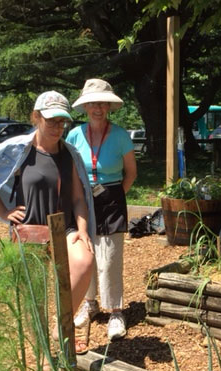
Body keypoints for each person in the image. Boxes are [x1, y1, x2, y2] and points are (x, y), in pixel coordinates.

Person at [0, 91, 95, 353]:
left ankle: (61, 323)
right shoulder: (17, 152)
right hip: (30, 229)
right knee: (33, 296)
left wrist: (82, 230)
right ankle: (42, 351)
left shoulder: (69, 154)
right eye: (52, 121)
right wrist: (4, 214)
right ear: (36, 117)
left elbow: (79, 198)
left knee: (84, 262)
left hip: (65, 227)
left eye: (62, 122)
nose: (58, 127)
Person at [66, 79, 137, 341]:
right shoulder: (74, 135)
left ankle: (116, 311)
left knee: (110, 258)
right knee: (87, 252)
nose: (97, 107)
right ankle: (90, 302)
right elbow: (71, 170)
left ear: (109, 106)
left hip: (112, 198)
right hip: (83, 200)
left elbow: (131, 172)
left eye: (102, 103)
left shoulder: (119, 135)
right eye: (92, 103)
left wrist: (115, 195)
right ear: (85, 106)